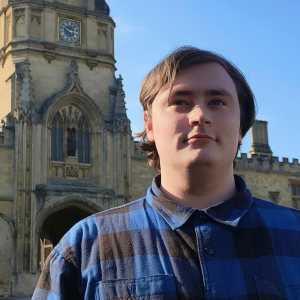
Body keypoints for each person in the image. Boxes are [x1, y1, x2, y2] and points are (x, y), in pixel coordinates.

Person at [33, 47, 300, 300]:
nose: (199, 116)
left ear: (242, 125)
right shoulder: (82, 247)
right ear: (148, 124)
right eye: (180, 101)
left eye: (217, 101)